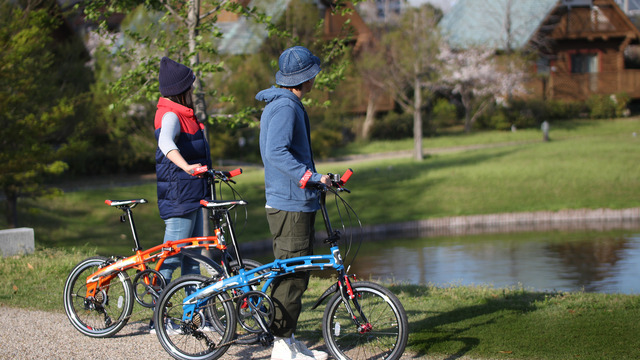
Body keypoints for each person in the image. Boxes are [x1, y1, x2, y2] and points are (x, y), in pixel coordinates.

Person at [256, 46, 330, 360]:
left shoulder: (286, 103)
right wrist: (308, 176)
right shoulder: (286, 106)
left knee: (296, 275)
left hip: (296, 201)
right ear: (305, 77)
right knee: (291, 277)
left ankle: (288, 339)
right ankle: (281, 347)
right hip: (290, 204)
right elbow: (275, 152)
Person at [154, 56, 211, 288]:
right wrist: (187, 167)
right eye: (190, 87)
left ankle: (194, 316)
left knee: (193, 259)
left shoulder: (184, 114)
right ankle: (158, 320)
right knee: (171, 259)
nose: (192, 92)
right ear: (181, 90)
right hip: (179, 197)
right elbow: (165, 143)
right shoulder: (170, 115)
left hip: (192, 195)